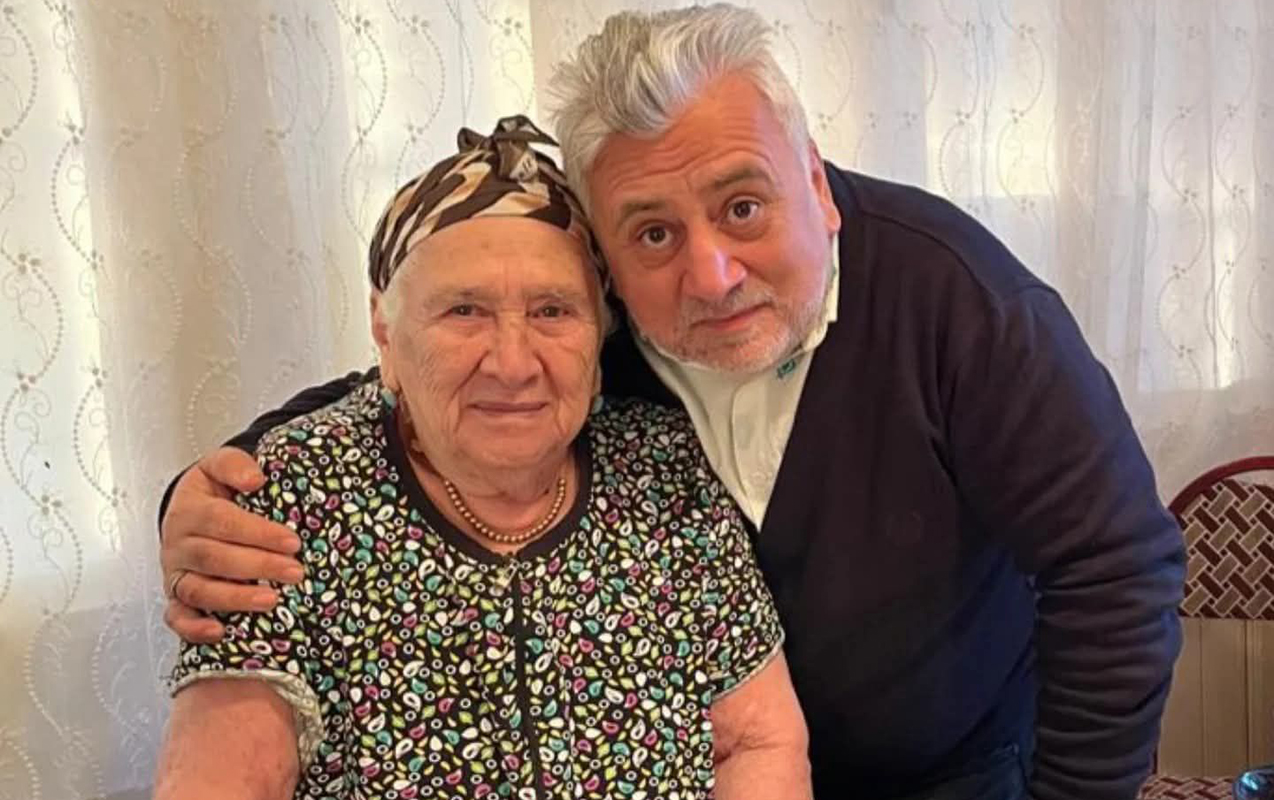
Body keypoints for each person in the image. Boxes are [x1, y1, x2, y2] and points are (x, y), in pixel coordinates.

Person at [157, 6, 1186, 800]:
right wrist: (203, 494)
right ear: (606, 261)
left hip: (953, 770)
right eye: (650, 232)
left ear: (817, 187)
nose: (710, 274)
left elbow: (1115, 568)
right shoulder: (588, 334)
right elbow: (436, 371)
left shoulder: (960, 302)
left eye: (742, 205)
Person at [154, 116, 811, 800]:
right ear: (386, 330)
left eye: (553, 311)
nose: (512, 363)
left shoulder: (662, 467)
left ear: (600, 338)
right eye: (464, 311)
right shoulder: (296, 496)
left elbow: (755, 742)